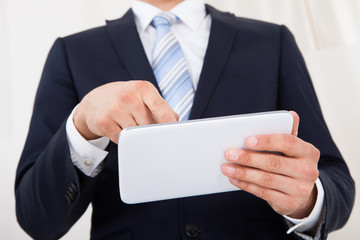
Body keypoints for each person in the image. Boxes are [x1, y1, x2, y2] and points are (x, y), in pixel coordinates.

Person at [15, 0, 354, 239]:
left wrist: (306, 201)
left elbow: (335, 179)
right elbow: (36, 219)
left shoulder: (272, 41)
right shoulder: (72, 52)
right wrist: (83, 127)